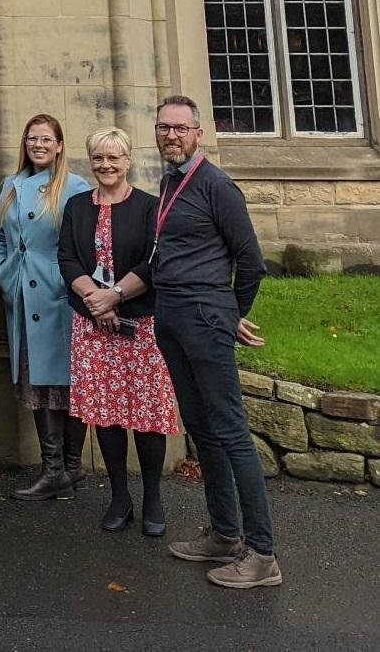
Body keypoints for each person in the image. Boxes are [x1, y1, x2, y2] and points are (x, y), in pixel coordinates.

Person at [152, 95, 278, 589]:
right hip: (173, 315)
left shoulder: (217, 185)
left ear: (198, 133)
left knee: (229, 431)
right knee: (201, 428)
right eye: (163, 127)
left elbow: (251, 261)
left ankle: (263, 553)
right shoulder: (170, 181)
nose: (171, 136)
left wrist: (231, 313)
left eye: (180, 128)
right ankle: (225, 535)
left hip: (204, 316)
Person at [58, 129, 177, 537]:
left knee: (146, 416)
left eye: (114, 158)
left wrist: (115, 297)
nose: (106, 165)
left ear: (127, 160)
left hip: (140, 324)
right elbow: (67, 257)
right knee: (105, 415)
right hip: (92, 326)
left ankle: (153, 498)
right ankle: (120, 496)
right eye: (98, 159)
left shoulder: (148, 206)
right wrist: (96, 301)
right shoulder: (76, 206)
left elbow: (153, 261)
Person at [0, 112, 90, 501]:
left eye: (47, 139)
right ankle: (54, 470)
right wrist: (4, 272)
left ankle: (71, 467)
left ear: (60, 144)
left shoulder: (75, 186)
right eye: (33, 138)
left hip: (60, 296)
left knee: (67, 383)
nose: (39, 145)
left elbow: (85, 241)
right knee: (37, 381)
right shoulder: (12, 185)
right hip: (22, 293)